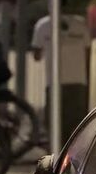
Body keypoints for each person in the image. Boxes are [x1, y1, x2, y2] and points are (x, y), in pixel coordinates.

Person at [31, 13, 89, 148]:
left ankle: (58, 161)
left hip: (54, 83)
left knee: (54, 125)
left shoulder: (42, 25)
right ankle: (75, 159)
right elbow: (87, 52)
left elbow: (36, 55)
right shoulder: (81, 24)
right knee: (77, 126)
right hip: (77, 81)